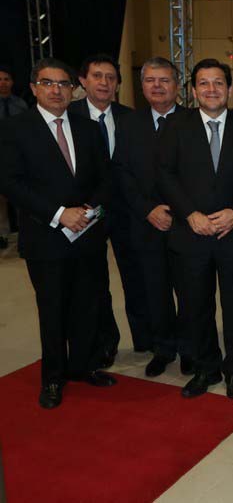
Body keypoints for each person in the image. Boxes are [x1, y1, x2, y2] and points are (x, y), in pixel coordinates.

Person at [0, 58, 116, 409]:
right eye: (48, 83)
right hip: (45, 237)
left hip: (87, 233)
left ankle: (84, 366)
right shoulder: (15, 129)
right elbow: (10, 183)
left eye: (63, 84)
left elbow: (105, 178)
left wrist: (89, 211)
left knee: (88, 303)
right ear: (33, 88)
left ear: (72, 89)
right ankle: (53, 377)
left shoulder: (87, 128)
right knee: (52, 309)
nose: (56, 90)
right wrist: (59, 214)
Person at [157, 58, 233, 400]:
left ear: (229, 88)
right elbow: (165, 174)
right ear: (193, 90)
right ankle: (206, 367)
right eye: (203, 83)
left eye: (218, 83)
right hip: (191, 233)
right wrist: (189, 214)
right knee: (195, 305)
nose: (211, 89)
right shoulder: (176, 125)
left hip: (232, 234)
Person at [113, 56, 192, 377]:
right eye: (150, 80)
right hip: (145, 224)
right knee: (155, 290)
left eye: (164, 80)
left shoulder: (193, 121)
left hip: (185, 224)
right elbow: (122, 172)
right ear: (142, 85)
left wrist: (178, 211)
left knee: (189, 291)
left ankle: (190, 348)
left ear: (177, 85)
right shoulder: (129, 123)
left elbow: (201, 176)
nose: (157, 86)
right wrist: (148, 210)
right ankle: (164, 347)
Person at [69, 54, 134, 367]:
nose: (104, 83)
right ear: (83, 81)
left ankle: (146, 340)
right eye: (97, 76)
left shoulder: (130, 118)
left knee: (135, 280)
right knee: (94, 283)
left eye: (111, 77)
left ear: (118, 83)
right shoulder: (69, 115)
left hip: (127, 212)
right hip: (85, 213)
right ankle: (105, 342)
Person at [0, 65, 28, 249]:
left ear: (12, 82)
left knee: (21, 197)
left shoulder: (20, 105)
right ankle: (2, 235)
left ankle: (25, 233)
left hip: (19, 157)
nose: (3, 83)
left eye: (6, 79)